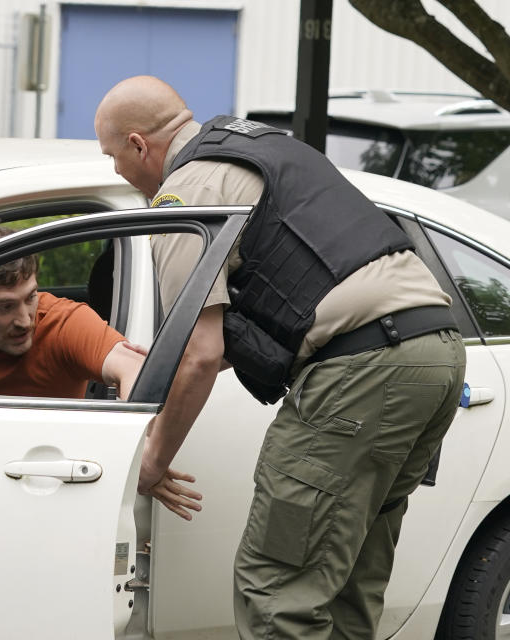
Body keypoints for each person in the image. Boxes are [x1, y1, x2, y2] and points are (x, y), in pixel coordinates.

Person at [94, 75, 466, 639]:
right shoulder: (267, 148)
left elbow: (200, 352)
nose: (117, 171)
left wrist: (151, 459)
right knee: (346, 588)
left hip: (360, 372)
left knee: (278, 590)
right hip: (435, 355)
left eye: (113, 157)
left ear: (139, 144)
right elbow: (290, 294)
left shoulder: (184, 195)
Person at [0, 223, 202, 518]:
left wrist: (140, 459)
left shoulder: (63, 321)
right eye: (4, 306)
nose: (25, 320)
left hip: (42, 489)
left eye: (30, 297)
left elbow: (134, 368)